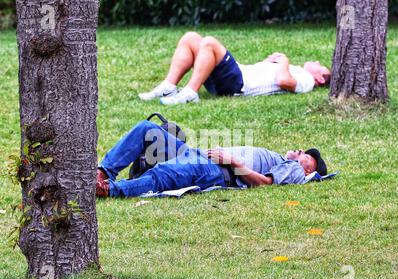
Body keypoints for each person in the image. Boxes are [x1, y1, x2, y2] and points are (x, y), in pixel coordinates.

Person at [96, 120, 328, 198]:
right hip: (199, 155)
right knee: (147, 129)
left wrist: (232, 162)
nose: (300, 152)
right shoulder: (279, 158)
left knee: (163, 175)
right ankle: (103, 172)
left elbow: (265, 183)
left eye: (306, 157)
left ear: (309, 172)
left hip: (216, 170)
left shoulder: (295, 171)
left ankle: (110, 190)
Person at [138, 31, 331, 105]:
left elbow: (284, 81)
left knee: (210, 43)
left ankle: (190, 93)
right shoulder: (300, 71)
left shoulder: (307, 80)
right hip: (237, 76)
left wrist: (284, 61)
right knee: (190, 38)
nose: (317, 62)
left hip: (239, 84)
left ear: (320, 79)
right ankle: (168, 86)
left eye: (321, 67)